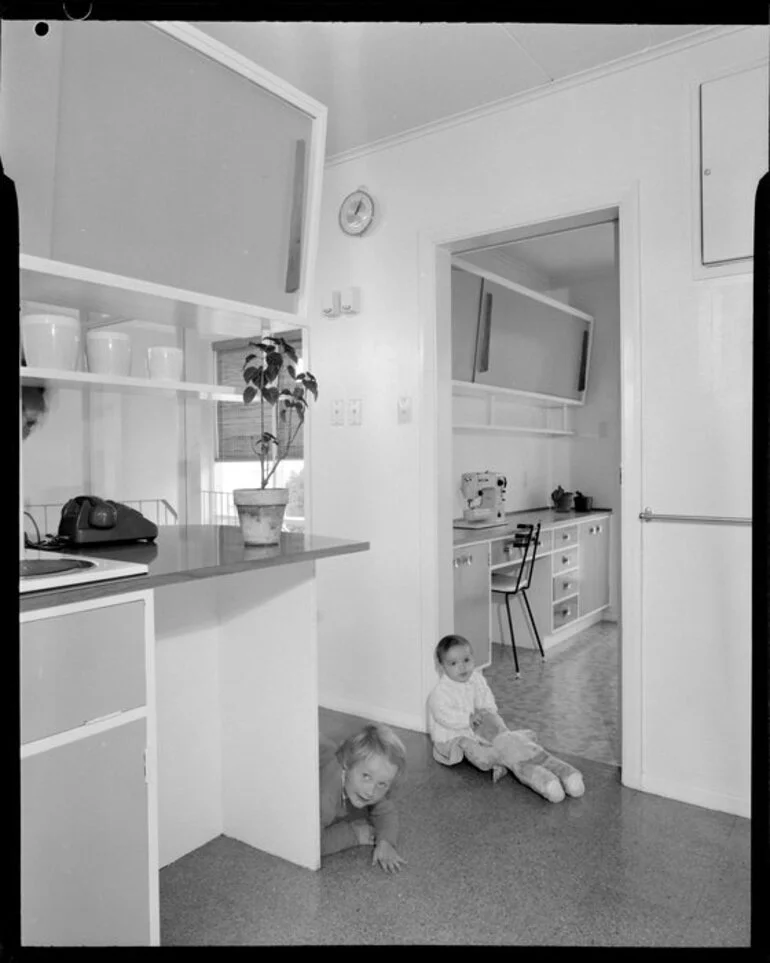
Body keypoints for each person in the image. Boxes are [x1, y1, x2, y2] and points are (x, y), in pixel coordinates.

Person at [427, 634, 584, 802]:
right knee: (471, 746)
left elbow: (485, 698)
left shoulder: (476, 679)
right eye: (453, 663)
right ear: (441, 667)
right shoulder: (440, 692)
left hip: (478, 726)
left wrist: (487, 711)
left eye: (466, 660)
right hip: (452, 735)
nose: (462, 667)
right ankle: (499, 760)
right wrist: (467, 719)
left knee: (501, 734)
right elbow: (443, 714)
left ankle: (555, 769)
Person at [319, 723, 407, 873]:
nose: (371, 791)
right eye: (366, 776)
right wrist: (353, 834)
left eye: (382, 784)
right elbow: (310, 845)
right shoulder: (325, 797)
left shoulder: (367, 783)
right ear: (347, 764)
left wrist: (386, 842)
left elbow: (386, 812)